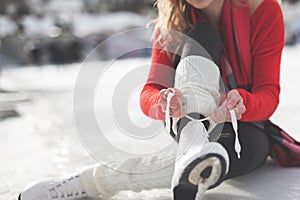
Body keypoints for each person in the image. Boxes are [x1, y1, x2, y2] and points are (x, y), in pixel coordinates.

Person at [18, 0, 284, 200]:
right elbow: (150, 91)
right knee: (202, 35)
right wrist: (162, 100)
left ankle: (88, 182)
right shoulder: (173, 18)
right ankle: (193, 142)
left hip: (241, 125)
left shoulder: (261, 9)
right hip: (186, 116)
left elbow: (268, 94)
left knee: (226, 160)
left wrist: (242, 103)